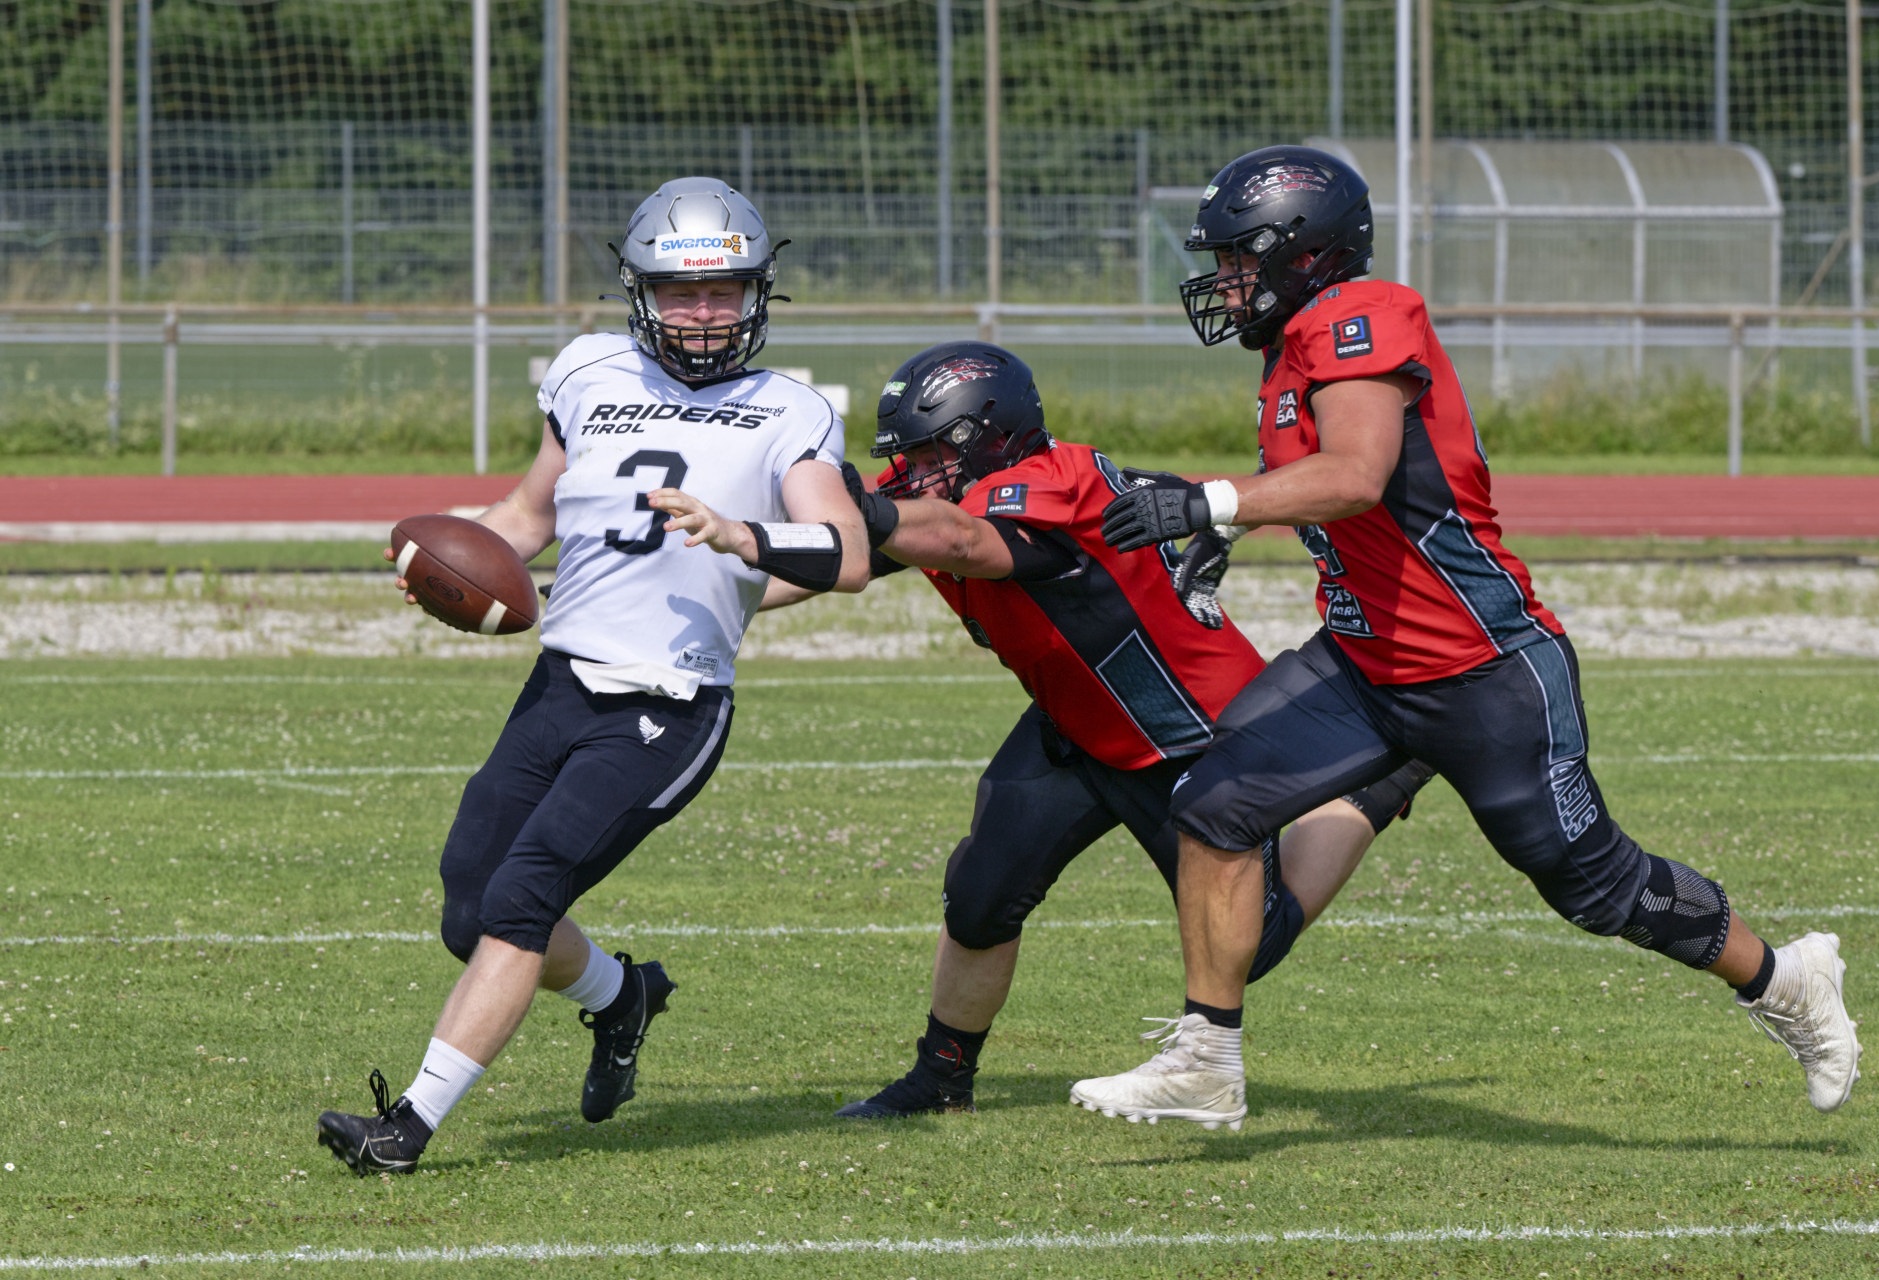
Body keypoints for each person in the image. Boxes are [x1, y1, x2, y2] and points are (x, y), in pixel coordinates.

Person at [1069, 145, 1861, 1129]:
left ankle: (1786, 980)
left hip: (1481, 668)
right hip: (1366, 662)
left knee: (1597, 885)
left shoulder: (1360, 314)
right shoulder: (1292, 348)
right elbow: (1343, 501)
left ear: (1304, 253)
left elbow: (1357, 472)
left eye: (1238, 258)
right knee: (1214, 803)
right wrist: (1227, 524)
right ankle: (1205, 1059)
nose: (1225, 281)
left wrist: (1210, 500)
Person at [657, 340, 1431, 1123]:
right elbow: (842, 550)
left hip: (1186, 737)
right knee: (980, 896)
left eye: (931, 455)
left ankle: (1376, 787)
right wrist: (716, 592)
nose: (912, 474)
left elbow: (961, 539)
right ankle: (941, 1079)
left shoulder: (1055, 484)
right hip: (1074, 722)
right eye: (908, 458)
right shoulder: (941, 489)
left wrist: (864, 512)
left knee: (1248, 943)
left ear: (991, 436)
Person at [316, 177, 871, 1175]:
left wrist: (739, 535)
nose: (703, 313)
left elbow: (849, 549)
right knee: (470, 907)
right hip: (561, 682)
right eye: (679, 292)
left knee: (523, 898)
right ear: (640, 292)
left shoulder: (789, 410)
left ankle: (406, 1127)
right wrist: (441, 555)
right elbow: (528, 517)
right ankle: (623, 996)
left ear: (757, 293)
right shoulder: (585, 370)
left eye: (724, 291)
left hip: (669, 704)